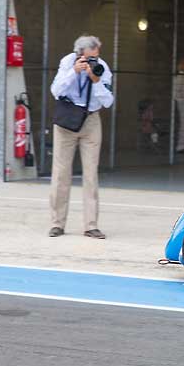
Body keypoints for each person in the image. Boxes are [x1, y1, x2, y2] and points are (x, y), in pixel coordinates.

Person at [48, 35, 114, 239]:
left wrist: (95, 81)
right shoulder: (67, 62)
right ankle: (57, 223)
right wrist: (73, 72)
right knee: (60, 173)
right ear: (80, 54)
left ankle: (91, 225)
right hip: (67, 121)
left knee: (90, 174)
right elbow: (56, 91)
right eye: (90, 58)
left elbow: (108, 101)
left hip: (90, 121)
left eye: (96, 56)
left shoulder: (101, 67)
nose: (93, 61)